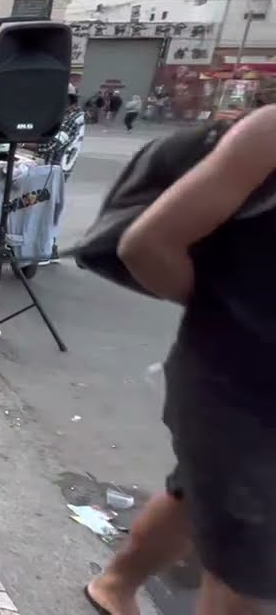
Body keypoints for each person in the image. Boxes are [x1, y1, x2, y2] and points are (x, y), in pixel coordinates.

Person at [104, 103, 276, 615]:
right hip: (237, 378)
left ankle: (115, 583)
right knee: (250, 565)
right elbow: (146, 244)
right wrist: (228, 318)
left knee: (194, 496)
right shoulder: (268, 134)